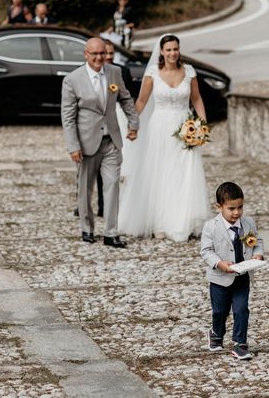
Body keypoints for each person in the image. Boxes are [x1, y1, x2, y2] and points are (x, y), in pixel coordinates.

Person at [117, 34, 209, 241]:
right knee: (161, 172)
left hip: (186, 128)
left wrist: (202, 125)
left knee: (184, 174)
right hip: (160, 128)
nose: (172, 53)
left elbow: (197, 99)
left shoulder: (189, 72)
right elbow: (141, 101)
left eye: (175, 49)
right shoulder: (152, 73)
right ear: (161, 51)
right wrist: (132, 123)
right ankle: (159, 222)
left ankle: (182, 220)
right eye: (168, 50)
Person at [61, 37, 139, 248]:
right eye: (94, 54)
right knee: (85, 189)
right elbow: (67, 117)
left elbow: (125, 98)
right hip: (86, 143)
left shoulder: (114, 72)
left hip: (111, 140)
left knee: (113, 184)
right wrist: (73, 146)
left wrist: (133, 123)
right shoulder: (72, 79)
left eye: (102, 53)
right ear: (86, 54)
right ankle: (87, 228)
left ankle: (111, 233)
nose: (98, 58)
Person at [200, 182, 265, 360]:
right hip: (220, 278)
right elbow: (206, 251)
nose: (236, 212)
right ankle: (216, 333)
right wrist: (219, 263)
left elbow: (256, 242)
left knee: (241, 309)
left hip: (242, 275)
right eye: (231, 208)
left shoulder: (248, 223)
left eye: (240, 207)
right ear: (219, 206)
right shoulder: (211, 227)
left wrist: (258, 255)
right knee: (220, 310)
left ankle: (240, 344)